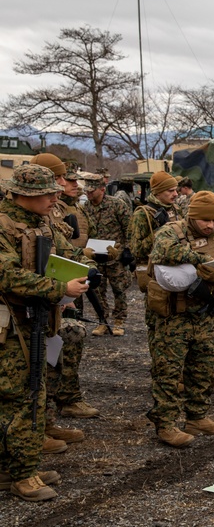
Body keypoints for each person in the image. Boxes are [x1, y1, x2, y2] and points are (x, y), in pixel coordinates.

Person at [0, 165, 93, 501]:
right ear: (26, 195)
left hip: (34, 318)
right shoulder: (3, 225)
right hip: (10, 326)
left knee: (30, 393)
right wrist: (58, 288)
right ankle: (23, 475)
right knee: (20, 397)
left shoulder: (41, 223)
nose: (57, 196)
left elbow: (68, 255)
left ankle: (16, 467)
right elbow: (7, 276)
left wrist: (83, 275)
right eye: (49, 192)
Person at [146, 191, 214, 446]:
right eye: (204, 221)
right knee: (168, 370)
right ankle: (166, 424)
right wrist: (201, 261)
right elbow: (161, 252)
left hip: (203, 314)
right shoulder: (172, 232)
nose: (210, 225)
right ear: (192, 216)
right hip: (173, 316)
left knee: (204, 366)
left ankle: (196, 417)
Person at [30, 155, 99, 443]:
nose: (63, 185)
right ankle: (36, 429)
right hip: (35, 297)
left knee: (52, 356)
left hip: (57, 291)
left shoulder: (51, 212)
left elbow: (62, 251)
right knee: (34, 366)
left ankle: (45, 422)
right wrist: (60, 290)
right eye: (59, 178)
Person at [130, 171, 180, 348]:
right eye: (170, 191)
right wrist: (160, 230)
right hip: (155, 275)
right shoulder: (142, 214)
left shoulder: (175, 210)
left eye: (176, 190)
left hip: (177, 271)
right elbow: (136, 250)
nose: (175, 194)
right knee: (157, 321)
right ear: (158, 192)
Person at [81, 172, 132, 337]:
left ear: (102, 189)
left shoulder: (117, 205)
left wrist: (128, 250)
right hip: (94, 256)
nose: (88, 194)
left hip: (114, 257)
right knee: (97, 290)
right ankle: (102, 320)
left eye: (92, 191)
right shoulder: (85, 208)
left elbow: (129, 229)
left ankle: (119, 321)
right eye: (86, 191)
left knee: (119, 290)